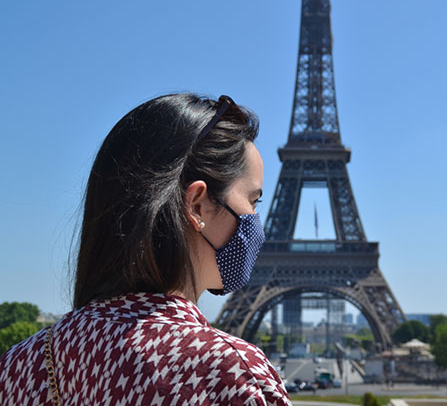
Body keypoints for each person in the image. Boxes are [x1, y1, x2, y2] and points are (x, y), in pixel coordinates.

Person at [0, 94, 291, 405]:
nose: (255, 219)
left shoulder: (17, 366)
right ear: (197, 205)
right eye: (253, 201)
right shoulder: (231, 374)